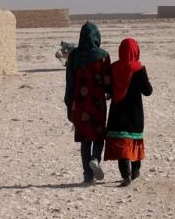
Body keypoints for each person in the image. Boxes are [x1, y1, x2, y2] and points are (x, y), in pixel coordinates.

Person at [64, 21, 112, 184]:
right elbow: (107, 80)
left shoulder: (74, 56)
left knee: (85, 139)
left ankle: (87, 175)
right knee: (99, 135)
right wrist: (109, 92)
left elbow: (70, 82)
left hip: (80, 103)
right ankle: (96, 159)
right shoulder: (103, 56)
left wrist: (69, 104)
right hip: (97, 103)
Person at [104, 38, 153, 187]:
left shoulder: (113, 68)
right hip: (134, 113)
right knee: (134, 141)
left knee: (121, 144)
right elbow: (148, 91)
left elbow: (108, 89)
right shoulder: (139, 69)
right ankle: (135, 170)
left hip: (117, 113)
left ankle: (126, 175)